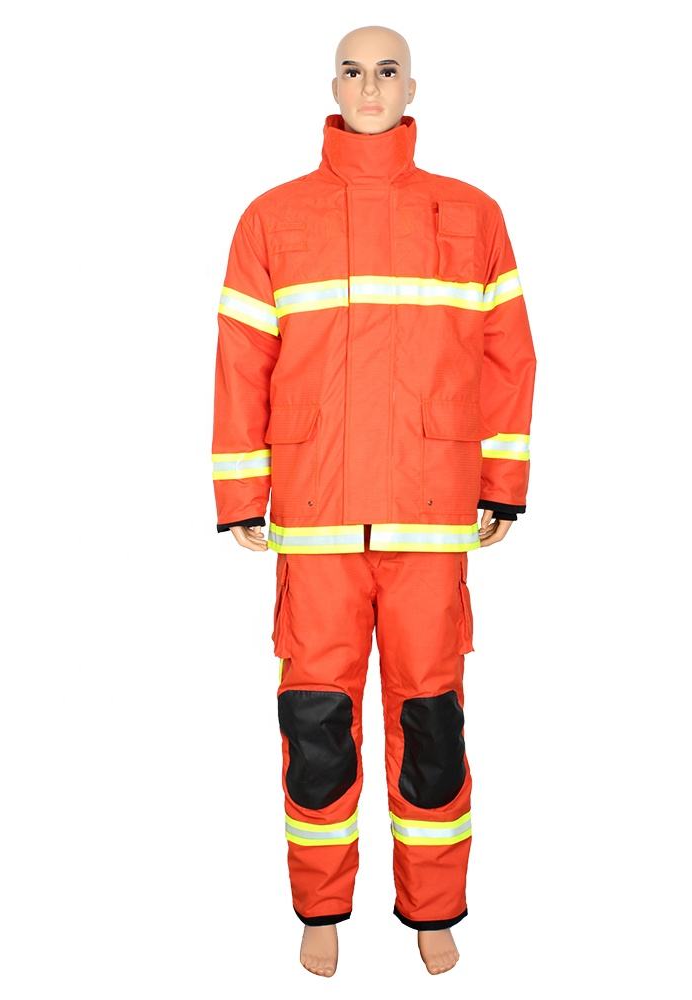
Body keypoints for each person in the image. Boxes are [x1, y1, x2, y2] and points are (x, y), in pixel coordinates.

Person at [211, 25, 536, 977]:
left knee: (431, 723)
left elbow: (509, 357)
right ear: (333, 85)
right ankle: (321, 907)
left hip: (430, 517)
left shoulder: (471, 214)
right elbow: (241, 362)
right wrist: (242, 492)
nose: (369, 87)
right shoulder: (272, 218)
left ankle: (433, 909)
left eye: (387, 71)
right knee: (316, 726)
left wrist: (502, 483)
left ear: (412, 88)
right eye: (352, 71)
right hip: (315, 520)